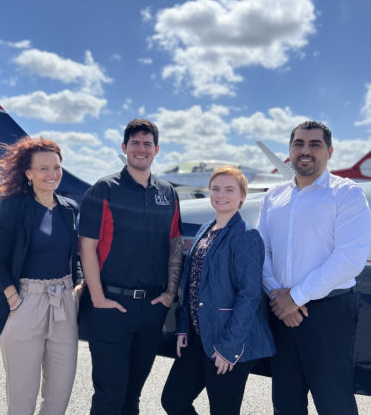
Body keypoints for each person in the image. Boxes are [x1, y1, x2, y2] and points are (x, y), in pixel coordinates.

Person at [257, 121, 371, 415]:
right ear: (290, 150)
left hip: (328, 314)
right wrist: (278, 296)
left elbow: (350, 257)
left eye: (314, 144)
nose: (305, 151)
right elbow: (262, 251)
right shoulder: (273, 197)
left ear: (329, 152)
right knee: (286, 402)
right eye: (298, 144)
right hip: (280, 311)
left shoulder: (346, 194)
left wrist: (295, 298)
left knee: (334, 403)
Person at [79, 118, 184, 415]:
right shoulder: (104, 189)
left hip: (151, 309)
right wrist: (98, 298)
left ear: (156, 149)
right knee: (109, 396)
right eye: (135, 143)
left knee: (132, 396)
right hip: (111, 306)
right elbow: (86, 246)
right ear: (124, 147)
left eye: (147, 144)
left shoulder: (168, 192)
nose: (141, 149)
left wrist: (170, 293)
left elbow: (175, 243)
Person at [161, 166, 275, 415]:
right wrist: (184, 327)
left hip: (229, 340)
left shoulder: (246, 235)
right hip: (199, 335)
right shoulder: (205, 230)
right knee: (173, 400)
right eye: (216, 189)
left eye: (229, 190)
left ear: (242, 196)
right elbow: (191, 283)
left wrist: (229, 346)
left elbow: (249, 295)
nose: (221, 195)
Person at [0, 136, 84, 415]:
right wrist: (14, 299)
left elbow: (73, 256)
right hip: (26, 302)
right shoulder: (15, 207)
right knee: (22, 398)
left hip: (64, 302)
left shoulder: (69, 208)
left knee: (59, 396)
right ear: (29, 173)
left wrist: (78, 285)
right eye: (44, 168)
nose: (52, 173)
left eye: (56, 167)